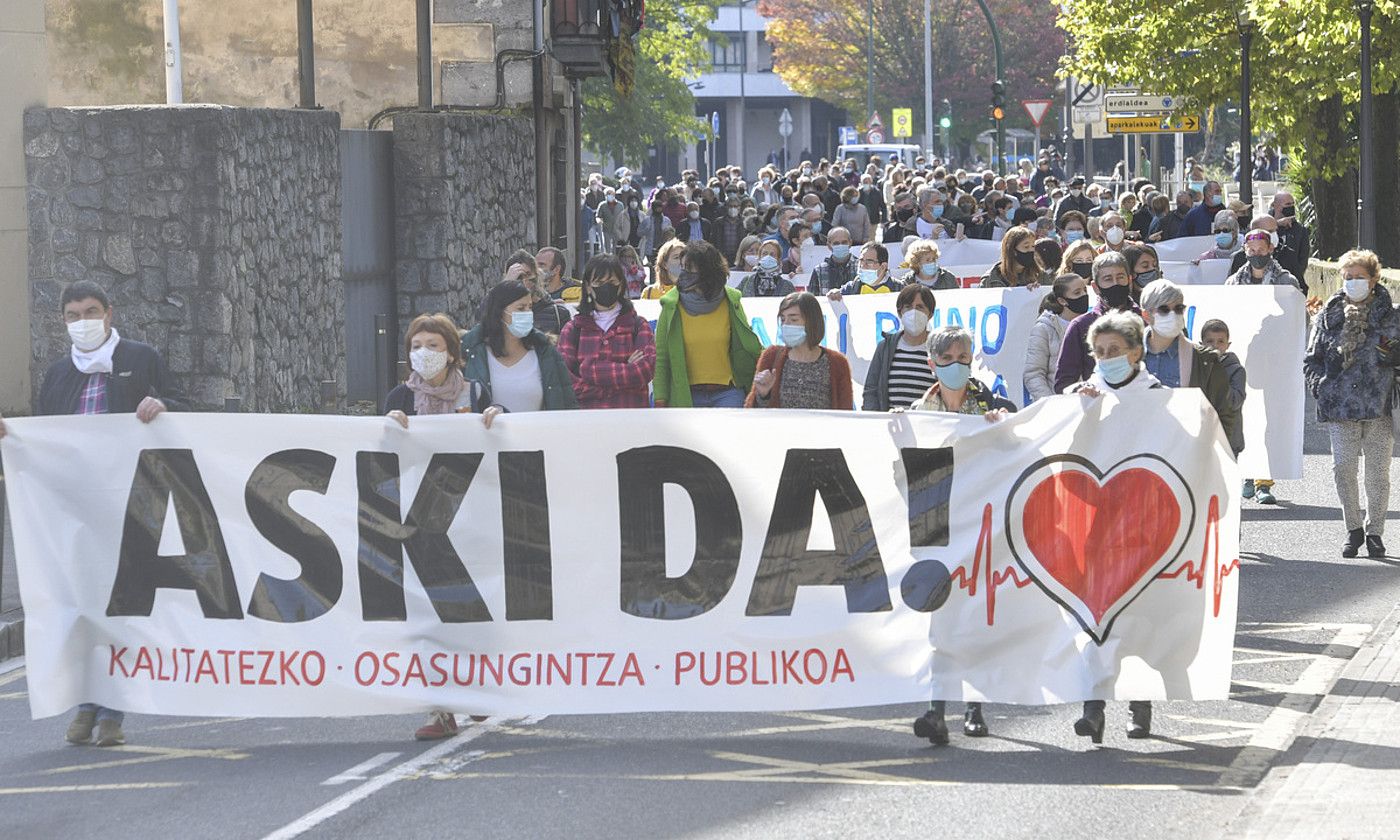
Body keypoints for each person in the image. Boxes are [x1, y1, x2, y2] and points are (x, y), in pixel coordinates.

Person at [0, 280, 187, 748]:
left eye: (90, 311)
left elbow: (183, 405)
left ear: (109, 313)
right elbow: (45, 436)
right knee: (81, 606)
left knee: (122, 606)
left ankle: (112, 713)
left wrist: (162, 404)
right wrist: (15, 437)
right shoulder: (60, 375)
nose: (82, 322)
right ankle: (86, 705)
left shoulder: (141, 360)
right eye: (72, 315)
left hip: (129, 501)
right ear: (62, 321)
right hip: (75, 509)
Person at [908, 325, 1015, 745]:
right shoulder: (918, 412)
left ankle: (974, 708)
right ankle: (936, 711)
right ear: (932, 364)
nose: (958, 365)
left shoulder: (994, 406)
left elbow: (1019, 456)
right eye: (948, 359)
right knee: (940, 622)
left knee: (976, 620)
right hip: (937, 528)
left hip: (982, 526)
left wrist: (1003, 429)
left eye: (964, 357)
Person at [1064, 312, 1163, 742]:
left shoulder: (1160, 397)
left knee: (1138, 615)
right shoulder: (1082, 394)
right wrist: (1078, 410)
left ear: (1136, 353)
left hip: (1142, 522)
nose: (1106, 360)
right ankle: (1094, 705)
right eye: (1098, 353)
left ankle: (1140, 706)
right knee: (1094, 615)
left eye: (1115, 352)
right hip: (1095, 524)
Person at [1303, 250, 1400, 559]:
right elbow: (1311, 361)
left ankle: (1375, 533)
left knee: (1377, 473)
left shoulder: (1392, 315)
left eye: (1360, 277)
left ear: (1374, 279)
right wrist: (1322, 387)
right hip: (1340, 406)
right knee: (1343, 468)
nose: (1353, 283)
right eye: (1348, 278)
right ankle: (1353, 528)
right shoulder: (1328, 314)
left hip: (1379, 406)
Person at [1138, 279, 1243, 456]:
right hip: (1139, 456)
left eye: (1178, 309)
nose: (1173, 315)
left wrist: (1214, 457)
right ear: (1147, 315)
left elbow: (1223, 413)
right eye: (1164, 310)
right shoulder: (1127, 356)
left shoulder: (1205, 360)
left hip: (1186, 457)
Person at [653, 239, 763, 408]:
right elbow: (661, 357)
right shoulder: (670, 304)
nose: (683, 274)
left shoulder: (731, 300)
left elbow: (747, 344)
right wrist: (660, 399)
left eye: (689, 269)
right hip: (688, 395)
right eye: (682, 267)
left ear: (707, 271)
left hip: (728, 393)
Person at [460, 279, 579, 416]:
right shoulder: (471, 351)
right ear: (499, 312)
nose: (528, 313)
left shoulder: (545, 352)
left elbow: (567, 403)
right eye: (521, 308)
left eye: (530, 307)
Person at [558, 254, 657, 409]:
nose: (606, 286)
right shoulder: (572, 331)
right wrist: (625, 370)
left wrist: (588, 369)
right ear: (588, 287)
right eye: (599, 282)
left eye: (611, 281)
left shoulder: (638, 327)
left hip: (630, 424)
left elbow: (644, 371)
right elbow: (566, 383)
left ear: (621, 285)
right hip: (588, 426)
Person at [746, 292, 853, 409]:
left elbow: (845, 412)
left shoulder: (837, 363)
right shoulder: (771, 356)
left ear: (812, 322)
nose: (786, 325)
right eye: (782, 319)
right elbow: (752, 412)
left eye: (794, 319)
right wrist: (763, 395)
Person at [1054, 251, 1139, 393]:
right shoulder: (1080, 326)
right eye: (1108, 279)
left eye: (1120, 278)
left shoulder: (1145, 320)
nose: (1115, 284)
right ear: (1095, 287)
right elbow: (1063, 383)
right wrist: (1080, 390)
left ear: (1129, 280)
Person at [864, 284, 939, 411]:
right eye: (908, 307)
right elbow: (871, 389)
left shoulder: (939, 348)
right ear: (900, 312)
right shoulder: (885, 347)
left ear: (930, 314)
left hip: (928, 426)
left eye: (920, 307)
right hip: (892, 426)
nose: (913, 312)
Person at [1025, 274, 1089, 401]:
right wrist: (1052, 404)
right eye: (1077, 293)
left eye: (1085, 291)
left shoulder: (1093, 323)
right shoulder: (1044, 328)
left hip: (1089, 403)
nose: (1084, 296)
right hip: (1059, 406)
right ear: (1062, 301)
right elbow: (1033, 374)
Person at [504, 250, 571, 336]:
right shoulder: (499, 311)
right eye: (518, 277)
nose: (524, 282)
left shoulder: (557, 313)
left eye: (528, 275)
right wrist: (505, 286)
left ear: (536, 276)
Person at [980, 226, 1051, 288]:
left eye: (1033, 246)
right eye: (1026, 247)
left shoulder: (1041, 276)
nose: (1031, 250)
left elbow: (1051, 300)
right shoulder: (991, 279)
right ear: (1012, 250)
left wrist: (1038, 293)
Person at [1226, 230, 1301, 289]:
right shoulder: (1233, 282)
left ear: (1270, 248)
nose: (1257, 254)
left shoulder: (1287, 282)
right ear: (1245, 250)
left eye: (1261, 250)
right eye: (1252, 250)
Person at [828, 242, 903, 300]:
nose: (863, 266)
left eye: (869, 262)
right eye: (861, 261)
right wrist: (834, 295)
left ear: (883, 266)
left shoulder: (899, 288)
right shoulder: (851, 288)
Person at [1271, 191, 1311, 283]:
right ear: (1275, 205)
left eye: (1293, 204)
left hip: (1293, 282)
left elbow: (1303, 259)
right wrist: (1277, 224)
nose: (1291, 207)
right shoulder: (1266, 225)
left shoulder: (1300, 230)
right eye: (1287, 204)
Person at [808, 226, 858, 294]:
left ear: (850, 243)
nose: (840, 245)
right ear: (829, 246)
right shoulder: (819, 270)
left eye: (844, 242)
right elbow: (812, 299)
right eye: (836, 243)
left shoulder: (860, 267)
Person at [595, 187, 630, 252]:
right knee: (607, 248)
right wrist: (599, 220)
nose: (609, 195)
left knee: (616, 248)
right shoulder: (602, 205)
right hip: (606, 229)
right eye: (607, 194)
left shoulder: (620, 205)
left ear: (614, 195)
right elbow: (598, 216)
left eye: (611, 194)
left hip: (617, 229)